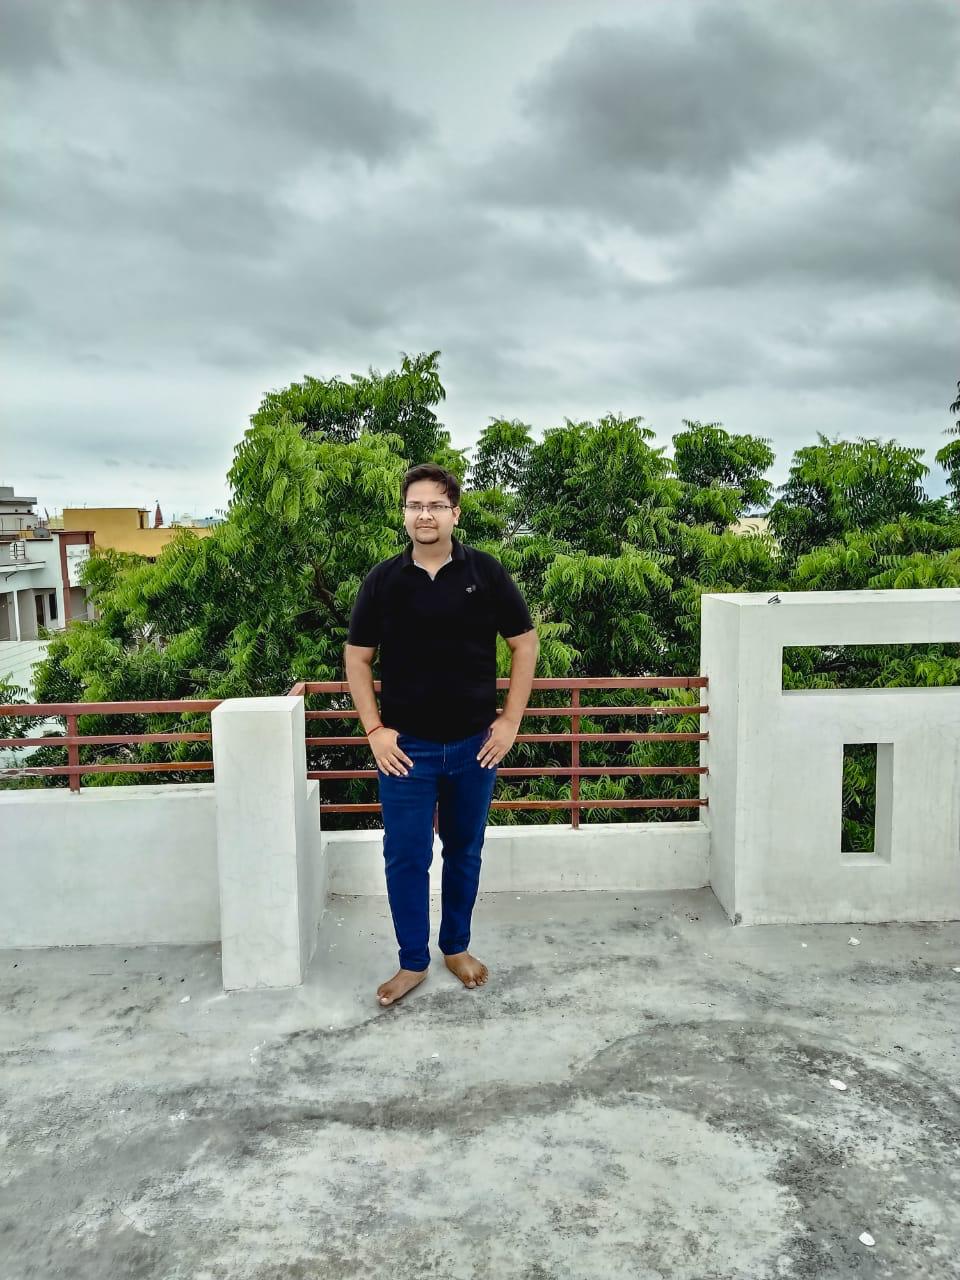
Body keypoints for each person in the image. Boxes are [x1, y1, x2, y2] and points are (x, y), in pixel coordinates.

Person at [344, 463, 539, 1007]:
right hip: (405, 751)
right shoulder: (382, 581)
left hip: (476, 746)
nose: (424, 515)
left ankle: (456, 947)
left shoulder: (486, 572)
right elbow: (357, 659)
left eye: (435, 505)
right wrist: (375, 730)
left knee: (464, 852)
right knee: (405, 857)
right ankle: (413, 961)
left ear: (455, 512)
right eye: (415, 506)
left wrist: (510, 720)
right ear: (404, 514)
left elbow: (525, 643)